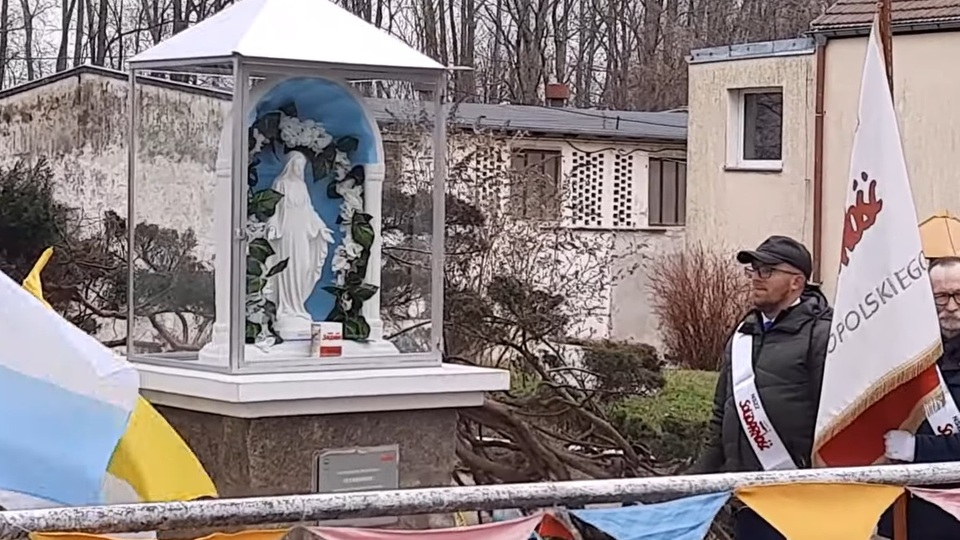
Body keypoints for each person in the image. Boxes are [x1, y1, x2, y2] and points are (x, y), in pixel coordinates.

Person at [689, 235, 833, 540]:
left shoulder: (821, 333)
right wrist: (692, 482)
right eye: (754, 270)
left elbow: (832, 417)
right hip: (747, 495)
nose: (756, 277)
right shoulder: (743, 334)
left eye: (767, 270)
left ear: (796, 282)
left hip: (802, 495)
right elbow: (721, 414)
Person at [877, 257, 960, 540]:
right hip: (909, 508)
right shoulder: (904, 352)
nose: (951, 306)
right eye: (941, 297)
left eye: (958, 295)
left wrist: (918, 448)